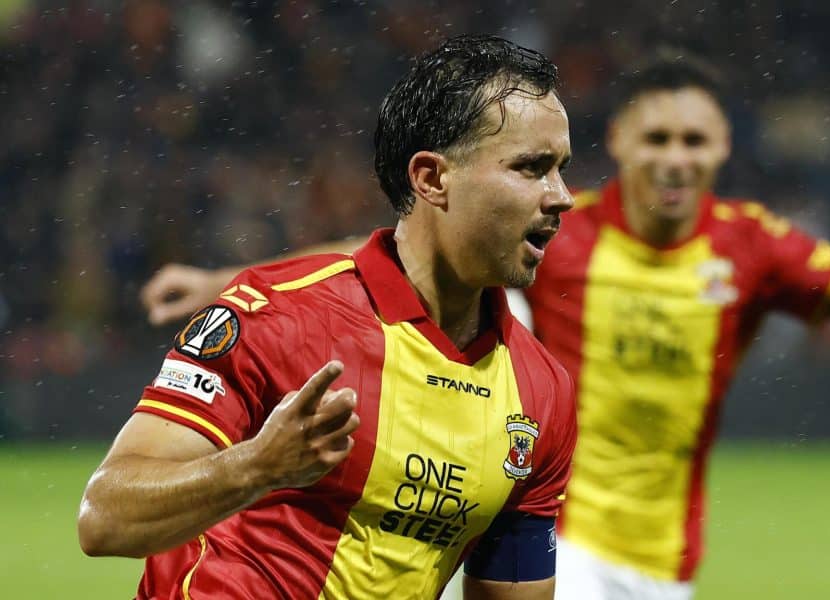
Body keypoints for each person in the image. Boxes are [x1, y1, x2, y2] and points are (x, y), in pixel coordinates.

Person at [139, 47, 830, 600]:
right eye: (655, 137)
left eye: (694, 141)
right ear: (619, 142)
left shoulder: (753, 248)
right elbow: (410, 240)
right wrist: (229, 280)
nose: (675, 158)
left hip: (662, 560)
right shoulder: (559, 224)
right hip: (551, 527)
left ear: (721, 151)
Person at [79, 34, 578, 600]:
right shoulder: (279, 316)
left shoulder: (542, 394)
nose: (561, 196)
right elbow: (104, 517)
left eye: (561, 168)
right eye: (532, 168)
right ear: (432, 178)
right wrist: (255, 468)